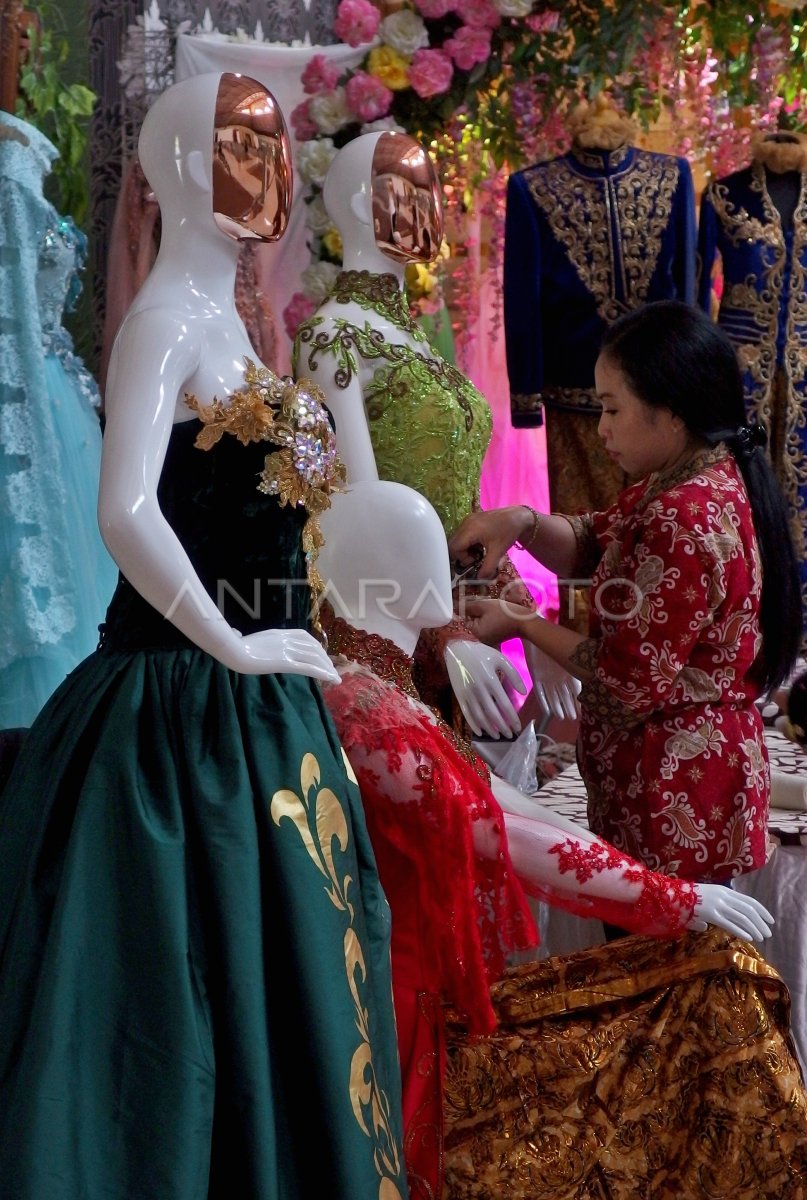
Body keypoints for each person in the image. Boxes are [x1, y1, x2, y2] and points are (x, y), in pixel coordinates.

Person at [0, 72, 409, 1200]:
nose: (269, 173)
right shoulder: (163, 328)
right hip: (177, 712)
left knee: (297, 972)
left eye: (274, 152)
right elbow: (125, 511)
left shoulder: (233, 324)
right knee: (176, 991)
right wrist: (234, 645)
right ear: (182, 168)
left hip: (264, 701)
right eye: (243, 148)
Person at [315, 478, 803, 1200]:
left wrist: (622, 863)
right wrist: (666, 894)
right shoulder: (365, 709)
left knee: (717, 983)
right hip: (409, 1014)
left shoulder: (382, 688)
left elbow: (495, 802)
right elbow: (498, 834)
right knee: (718, 997)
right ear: (388, 573)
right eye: (430, 552)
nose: (453, 570)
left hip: (444, 988)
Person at [449, 300, 802, 884]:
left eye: (612, 409)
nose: (601, 428)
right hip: (688, 776)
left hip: (673, 790)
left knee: (665, 964)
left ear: (671, 413)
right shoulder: (689, 478)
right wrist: (521, 521)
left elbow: (625, 683)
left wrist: (523, 624)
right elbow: (592, 538)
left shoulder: (682, 517)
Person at [292, 128, 553, 741]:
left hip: (465, 615)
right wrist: (447, 636)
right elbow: (358, 509)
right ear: (362, 204)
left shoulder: (416, 341)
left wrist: (522, 614)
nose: (431, 206)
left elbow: (463, 500)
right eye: (410, 190)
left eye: (431, 190)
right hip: (388, 624)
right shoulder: (332, 337)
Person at [0, 112, 117, 726]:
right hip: (25, 405)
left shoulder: (22, 153)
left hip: (60, 402)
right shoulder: (9, 167)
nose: (22, 33)